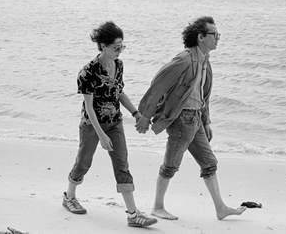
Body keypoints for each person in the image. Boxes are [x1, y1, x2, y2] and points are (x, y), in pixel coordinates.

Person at [136, 16, 247, 220]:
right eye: (215, 35)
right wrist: (144, 116)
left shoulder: (204, 61)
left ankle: (220, 208)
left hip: (195, 119)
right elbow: (157, 85)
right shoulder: (184, 60)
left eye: (218, 35)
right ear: (201, 37)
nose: (218, 39)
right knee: (171, 164)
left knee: (209, 163)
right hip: (182, 120)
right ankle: (157, 206)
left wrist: (206, 121)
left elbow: (203, 96)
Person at [63, 21, 157, 228]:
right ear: (103, 46)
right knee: (83, 163)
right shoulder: (87, 72)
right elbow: (88, 107)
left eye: (122, 46)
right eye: (116, 47)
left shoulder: (119, 65)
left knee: (122, 165)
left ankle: (133, 214)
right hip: (92, 125)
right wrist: (101, 135)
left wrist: (136, 113)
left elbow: (119, 92)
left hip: (115, 123)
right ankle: (69, 197)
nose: (120, 51)